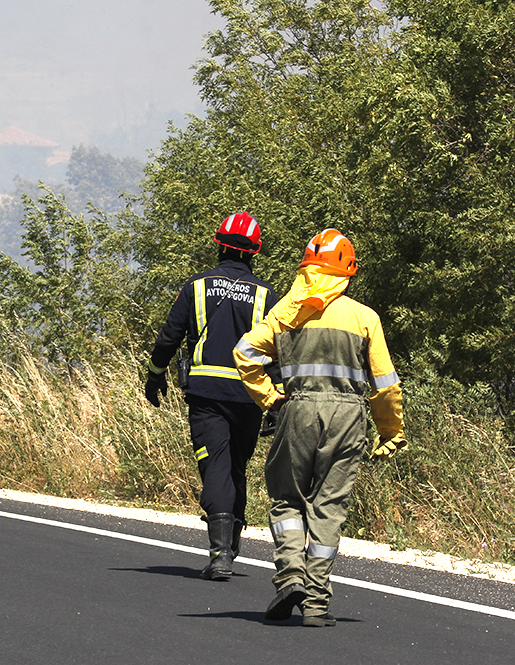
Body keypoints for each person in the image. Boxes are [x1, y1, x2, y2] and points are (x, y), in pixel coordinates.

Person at [233, 228, 406, 627]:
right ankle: (315, 603)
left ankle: (290, 576)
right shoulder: (364, 317)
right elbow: (385, 385)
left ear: (307, 268)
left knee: (286, 499)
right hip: (348, 418)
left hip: (298, 411)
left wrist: (270, 397)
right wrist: (391, 431)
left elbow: (244, 352)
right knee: (329, 507)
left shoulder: (287, 311)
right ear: (348, 271)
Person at [145, 212, 278, 580]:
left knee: (216, 466)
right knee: (236, 466)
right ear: (254, 252)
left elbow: (169, 336)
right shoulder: (266, 295)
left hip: (206, 395)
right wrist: (276, 400)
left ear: (219, 244)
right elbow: (279, 350)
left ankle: (221, 554)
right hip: (250, 396)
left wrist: (155, 376)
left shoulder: (197, 286)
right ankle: (230, 545)